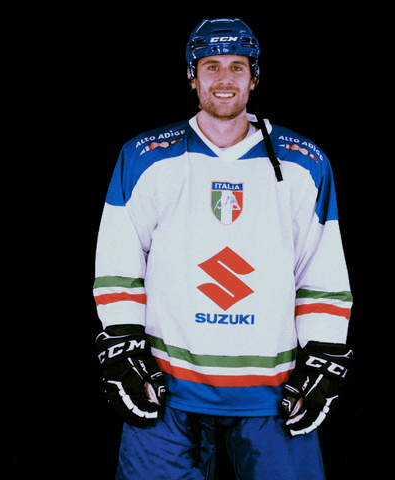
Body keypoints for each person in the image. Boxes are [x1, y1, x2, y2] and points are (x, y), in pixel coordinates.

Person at [94, 17, 353, 480]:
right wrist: (120, 341)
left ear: (254, 77)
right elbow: (118, 259)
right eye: (211, 66)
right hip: (168, 389)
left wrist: (325, 354)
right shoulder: (146, 157)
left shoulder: (304, 162)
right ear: (191, 77)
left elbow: (321, 268)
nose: (224, 79)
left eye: (237, 67)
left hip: (273, 395)